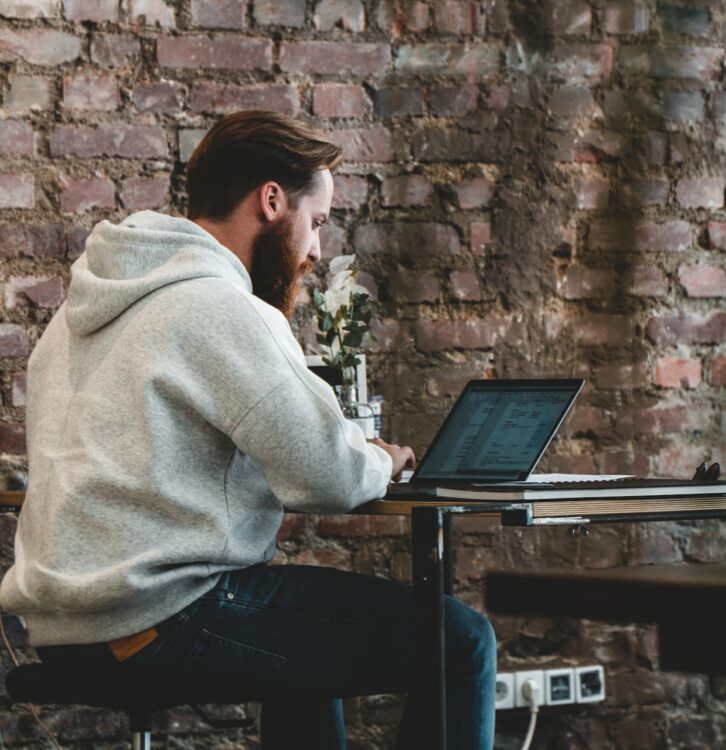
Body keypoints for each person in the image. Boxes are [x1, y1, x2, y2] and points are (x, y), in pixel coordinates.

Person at [0, 110, 496, 749]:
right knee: (459, 640)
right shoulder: (220, 306)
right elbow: (329, 475)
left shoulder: (76, 315)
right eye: (315, 223)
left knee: (303, 659)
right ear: (271, 201)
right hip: (159, 614)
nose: (316, 250)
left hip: (62, 627)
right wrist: (380, 458)